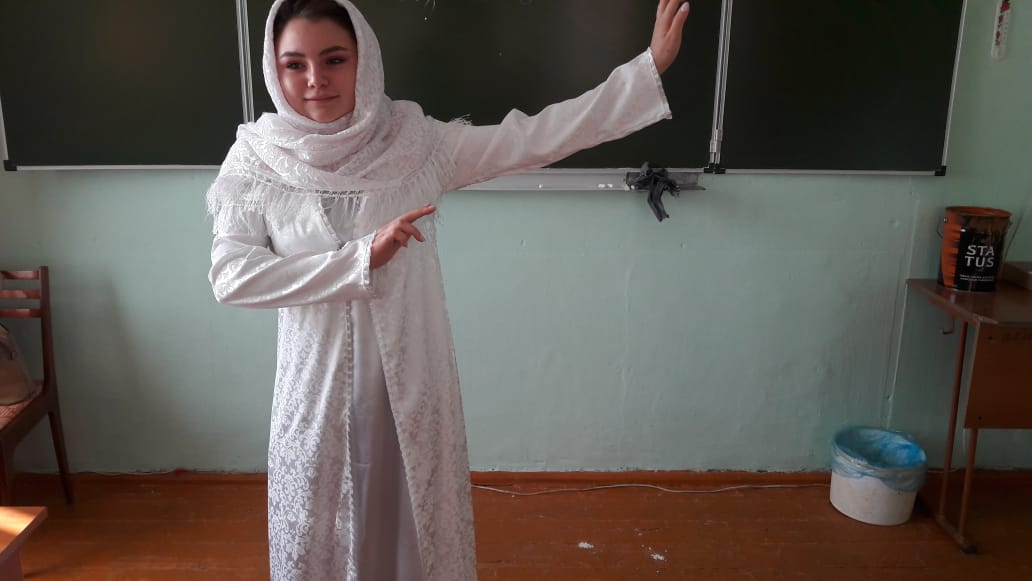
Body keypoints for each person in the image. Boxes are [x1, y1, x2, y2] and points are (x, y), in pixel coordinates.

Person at [206, 0, 689, 579]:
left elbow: (534, 136)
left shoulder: (415, 144)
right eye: (295, 64)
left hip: (407, 383)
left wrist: (645, 71)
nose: (315, 80)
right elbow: (232, 276)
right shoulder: (258, 160)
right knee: (319, 528)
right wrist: (359, 260)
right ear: (274, 69)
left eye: (334, 59)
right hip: (315, 392)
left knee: (410, 519)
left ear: (364, 60)